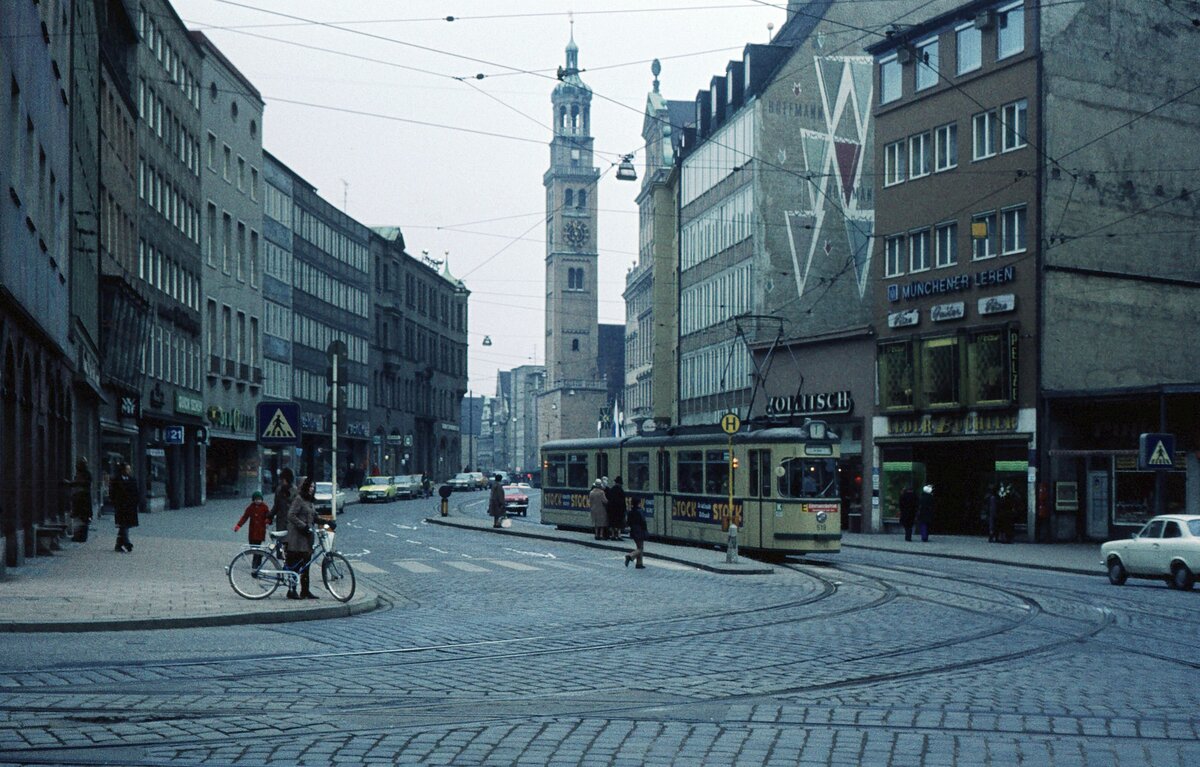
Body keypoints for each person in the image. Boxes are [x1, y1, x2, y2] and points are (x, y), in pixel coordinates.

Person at [286, 478, 319, 599]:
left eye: (313, 487)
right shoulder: (299, 499)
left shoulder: (310, 501)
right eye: (310, 487)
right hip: (297, 538)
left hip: (307, 538)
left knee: (306, 565)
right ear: (305, 487)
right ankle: (291, 590)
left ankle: (305, 590)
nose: (312, 489)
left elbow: (314, 516)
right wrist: (303, 526)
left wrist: (327, 522)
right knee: (295, 565)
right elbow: (291, 515)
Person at [234, 491, 273, 568]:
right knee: (252, 546)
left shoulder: (264, 507)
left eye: (259, 499)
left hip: (260, 531)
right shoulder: (250, 507)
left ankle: (255, 563)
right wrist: (239, 525)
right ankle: (259, 558)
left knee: (257, 547)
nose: (258, 501)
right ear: (253, 500)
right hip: (252, 531)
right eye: (256, 499)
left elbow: (269, 516)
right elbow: (245, 517)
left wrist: (268, 521)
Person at [109, 462, 140, 553]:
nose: (129, 471)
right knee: (124, 525)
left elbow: (136, 493)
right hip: (121, 506)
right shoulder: (116, 480)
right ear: (122, 470)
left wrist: (135, 503)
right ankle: (127, 542)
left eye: (129, 469)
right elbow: (112, 493)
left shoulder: (132, 480)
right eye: (127, 469)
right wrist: (115, 503)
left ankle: (118, 545)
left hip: (130, 507)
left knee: (124, 526)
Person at [65, 458, 93, 542]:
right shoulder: (80, 474)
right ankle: (78, 535)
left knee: (83, 518)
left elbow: (81, 483)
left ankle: (81, 536)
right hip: (79, 498)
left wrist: (70, 483)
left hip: (83, 498)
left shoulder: (86, 474)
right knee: (79, 518)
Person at [624, 497, 648, 569]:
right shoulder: (640, 511)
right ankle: (630, 556)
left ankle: (639, 564)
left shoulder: (630, 512)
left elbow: (628, 523)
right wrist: (645, 530)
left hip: (633, 530)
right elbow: (643, 522)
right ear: (639, 503)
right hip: (639, 530)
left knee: (639, 547)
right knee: (640, 548)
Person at [272, 468, 295, 535]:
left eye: (283, 479)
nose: (282, 481)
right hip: (281, 520)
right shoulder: (279, 490)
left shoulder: (294, 491)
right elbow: (276, 505)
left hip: (291, 521)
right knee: (281, 539)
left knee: (290, 541)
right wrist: (270, 516)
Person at [606, 476, 627, 541]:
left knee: (612, 522)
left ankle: (612, 535)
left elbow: (609, 499)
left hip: (612, 509)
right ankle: (618, 535)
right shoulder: (621, 490)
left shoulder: (612, 489)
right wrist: (624, 509)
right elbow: (623, 501)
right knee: (619, 523)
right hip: (619, 509)